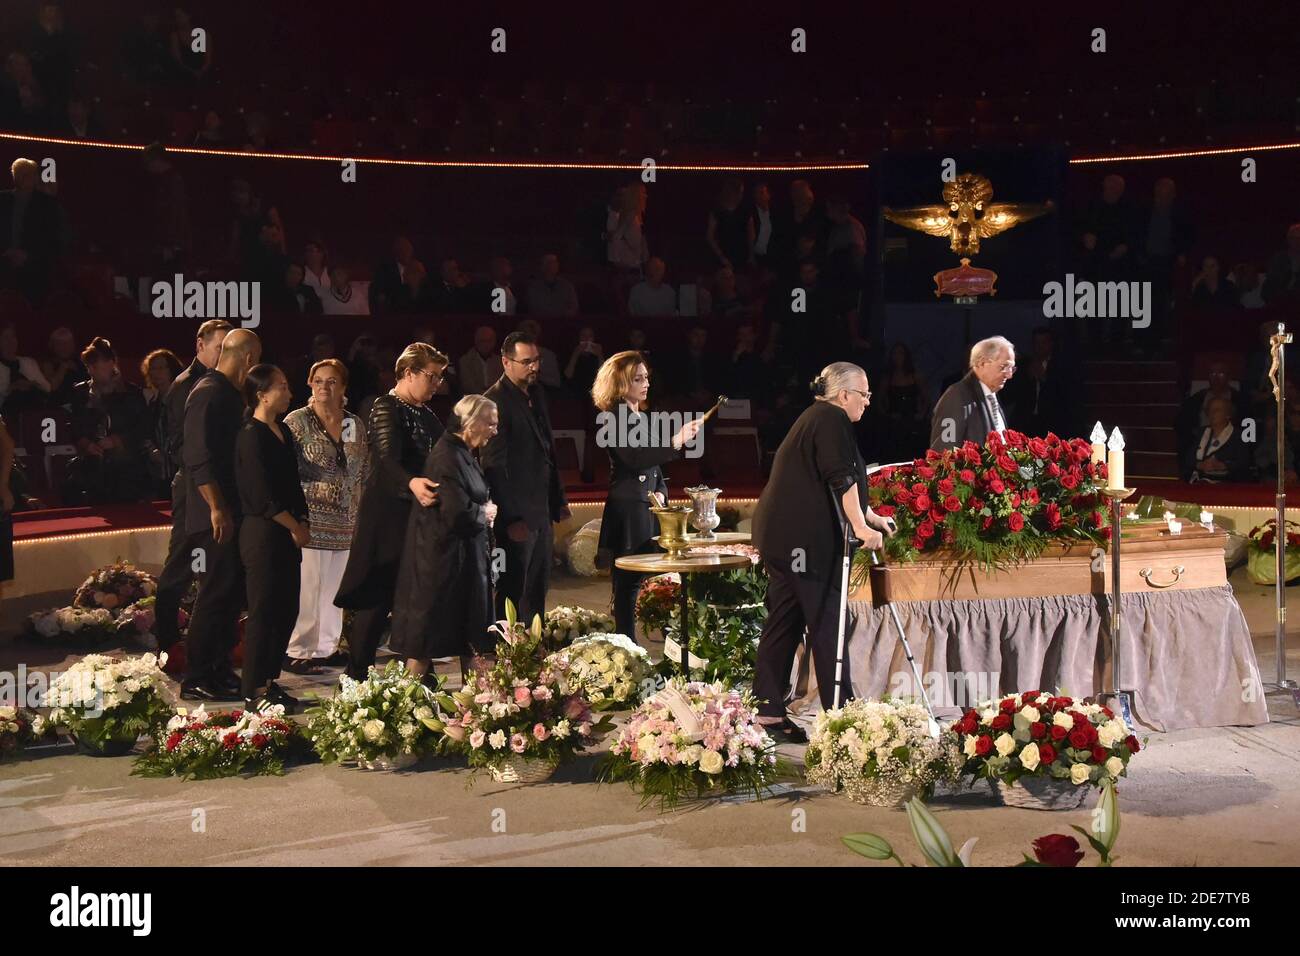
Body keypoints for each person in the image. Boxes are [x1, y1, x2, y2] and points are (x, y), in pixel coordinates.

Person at [751, 362, 889, 742]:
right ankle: (842, 717)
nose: (867, 401)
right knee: (828, 621)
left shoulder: (818, 417)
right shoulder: (831, 419)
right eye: (864, 393)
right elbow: (838, 476)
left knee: (785, 618)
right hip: (804, 542)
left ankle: (765, 710)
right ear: (844, 395)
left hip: (782, 538)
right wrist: (860, 528)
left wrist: (869, 515)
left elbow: (841, 478)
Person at [335, 343, 447, 680]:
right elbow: (385, 458)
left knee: (415, 595)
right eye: (432, 376)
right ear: (409, 373)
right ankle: (356, 675)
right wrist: (412, 482)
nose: (437, 384)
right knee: (376, 596)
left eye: (440, 377)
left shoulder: (427, 414)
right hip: (387, 517)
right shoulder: (386, 407)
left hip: (415, 515)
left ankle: (418, 673)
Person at [592, 352, 703, 639]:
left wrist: (662, 492)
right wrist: (676, 440)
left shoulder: (638, 415)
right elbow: (634, 458)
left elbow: (653, 465)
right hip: (629, 507)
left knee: (656, 576)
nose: (646, 384)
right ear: (619, 383)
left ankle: (664, 640)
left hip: (647, 505)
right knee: (629, 581)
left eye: (646, 378)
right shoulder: (612, 417)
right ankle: (626, 642)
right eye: (638, 379)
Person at [389, 394, 499, 681]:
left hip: (461, 564)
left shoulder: (463, 452)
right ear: (472, 423)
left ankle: (477, 709)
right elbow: (456, 513)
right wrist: (485, 513)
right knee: (423, 646)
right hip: (442, 567)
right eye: (490, 423)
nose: (494, 430)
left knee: (471, 643)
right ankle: (404, 712)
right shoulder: (447, 456)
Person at [181, 328, 261, 702]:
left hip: (232, 510)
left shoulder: (230, 394)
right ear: (248, 359)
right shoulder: (208, 393)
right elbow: (198, 457)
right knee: (213, 593)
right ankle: (196, 675)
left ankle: (218, 667)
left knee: (230, 594)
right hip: (214, 513)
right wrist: (216, 507)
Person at [283, 359, 369, 672]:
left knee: (335, 588)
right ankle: (299, 650)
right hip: (311, 518)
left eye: (331, 381)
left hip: (346, 520)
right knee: (310, 586)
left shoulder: (354, 424)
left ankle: (326, 647)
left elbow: (362, 472)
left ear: (343, 387)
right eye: (318, 380)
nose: (324, 387)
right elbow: (286, 471)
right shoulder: (297, 421)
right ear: (309, 384)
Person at [154, 319, 232, 653]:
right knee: (182, 560)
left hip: (211, 482)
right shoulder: (187, 385)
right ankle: (168, 639)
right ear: (200, 345)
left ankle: (212, 641)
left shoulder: (223, 383)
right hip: (192, 486)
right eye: (219, 348)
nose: (224, 354)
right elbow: (185, 447)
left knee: (212, 566)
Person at [236, 364, 309, 708]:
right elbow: (259, 493)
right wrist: (294, 526)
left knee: (286, 609)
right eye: (282, 386)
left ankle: (269, 680)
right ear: (262, 394)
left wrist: (303, 519)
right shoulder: (250, 434)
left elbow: (293, 483)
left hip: (287, 532)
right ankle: (253, 690)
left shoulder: (283, 431)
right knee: (264, 612)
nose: (289, 392)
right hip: (264, 533)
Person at [482, 331, 569, 623]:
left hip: (541, 510)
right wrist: (510, 519)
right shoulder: (493, 401)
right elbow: (492, 466)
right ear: (506, 362)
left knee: (537, 586)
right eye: (527, 361)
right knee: (511, 587)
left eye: (537, 360)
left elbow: (548, 451)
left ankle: (534, 650)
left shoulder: (537, 393)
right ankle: (507, 655)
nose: (534, 367)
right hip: (516, 515)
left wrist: (559, 499)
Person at [65, 337, 152, 503]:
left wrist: (116, 440)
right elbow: (73, 425)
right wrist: (86, 443)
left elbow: (143, 427)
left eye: (100, 365)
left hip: (127, 467)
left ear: (112, 363)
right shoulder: (80, 392)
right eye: (91, 366)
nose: (95, 370)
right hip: (92, 466)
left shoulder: (131, 393)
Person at [929, 336, 1016, 452]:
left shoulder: (992, 394)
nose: (1009, 375)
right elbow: (943, 451)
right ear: (982, 363)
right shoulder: (956, 396)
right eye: (1004, 367)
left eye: (1012, 368)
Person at [140, 347, 183, 495]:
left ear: (171, 369)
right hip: (160, 472)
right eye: (151, 368)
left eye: (160, 368)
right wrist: (152, 450)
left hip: (179, 470)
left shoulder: (181, 399)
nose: (155, 372)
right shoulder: (153, 402)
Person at [1185, 395, 1250, 483]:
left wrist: (1222, 466)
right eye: (1210, 410)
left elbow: (1244, 463)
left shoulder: (1240, 436)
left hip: (1227, 486)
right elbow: (1188, 459)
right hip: (1198, 484)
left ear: (1228, 414)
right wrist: (1200, 465)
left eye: (1217, 410)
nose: (1212, 413)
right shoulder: (1199, 432)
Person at [0, 321, 51, 414]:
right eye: (6, 337)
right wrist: (11, 388)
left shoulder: (29, 362)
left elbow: (47, 388)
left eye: (13, 336)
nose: (10, 341)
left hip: (34, 411)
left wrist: (30, 384)